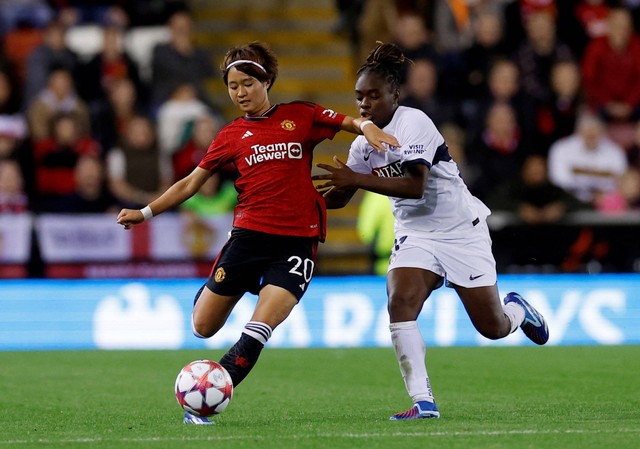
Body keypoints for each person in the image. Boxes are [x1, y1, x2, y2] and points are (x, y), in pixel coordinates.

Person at [116, 41, 398, 424]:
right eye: (233, 86)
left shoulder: (300, 115)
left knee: (259, 328)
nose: (240, 93)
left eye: (247, 83)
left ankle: (207, 401)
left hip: (298, 241)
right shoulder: (231, 135)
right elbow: (189, 183)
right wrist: (145, 212)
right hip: (248, 239)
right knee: (202, 326)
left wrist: (368, 127)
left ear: (266, 81)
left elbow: (348, 121)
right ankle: (214, 297)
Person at [313, 42, 549, 421]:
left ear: (395, 93)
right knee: (399, 303)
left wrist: (355, 177)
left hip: (460, 229)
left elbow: (415, 185)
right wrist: (307, 201)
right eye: (359, 97)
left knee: (492, 327)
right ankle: (423, 401)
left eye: (374, 95)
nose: (365, 104)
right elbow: (340, 196)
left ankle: (518, 311)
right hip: (414, 234)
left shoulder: (414, 122)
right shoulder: (363, 146)